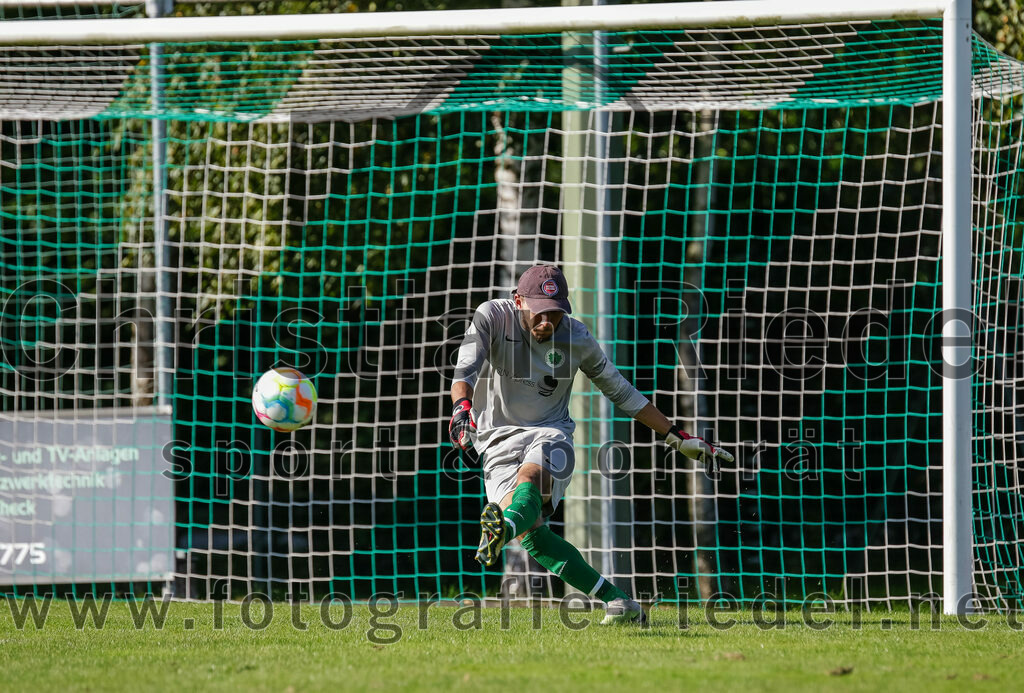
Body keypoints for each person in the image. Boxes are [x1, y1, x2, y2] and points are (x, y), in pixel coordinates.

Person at [449, 264, 733, 625]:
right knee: (532, 533)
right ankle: (619, 603)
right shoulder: (492, 316)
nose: (547, 321)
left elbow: (622, 391)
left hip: (551, 433)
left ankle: (501, 530)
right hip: (495, 442)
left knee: (532, 477)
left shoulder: (576, 337)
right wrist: (461, 409)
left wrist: (675, 436)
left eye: (555, 311)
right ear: (518, 301)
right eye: (539, 312)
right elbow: (465, 368)